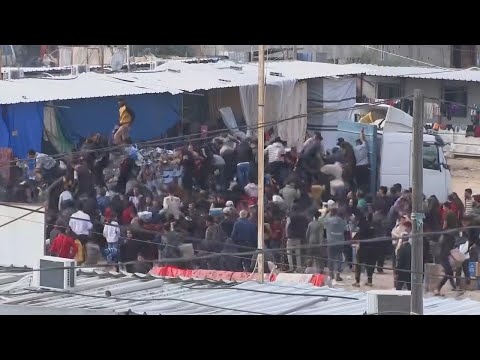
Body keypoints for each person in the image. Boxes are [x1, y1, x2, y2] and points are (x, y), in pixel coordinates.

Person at [319, 204, 347, 282]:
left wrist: (325, 213)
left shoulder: (328, 220)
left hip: (330, 242)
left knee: (330, 259)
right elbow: (345, 227)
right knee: (339, 259)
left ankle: (331, 274)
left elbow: (320, 221)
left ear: (330, 212)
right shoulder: (341, 221)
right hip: (340, 242)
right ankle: (338, 275)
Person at [352, 213, 377, 287]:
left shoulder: (362, 227)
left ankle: (357, 282)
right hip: (372, 248)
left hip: (363, 248)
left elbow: (355, 238)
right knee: (370, 265)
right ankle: (369, 281)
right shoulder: (373, 227)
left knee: (358, 265)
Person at [286, 206, 309, 272]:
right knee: (298, 253)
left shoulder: (290, 216)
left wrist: (286, 234)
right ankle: (299, 267)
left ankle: (291, 267)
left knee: (289, 252)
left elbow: (287, 225)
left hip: (291, 236)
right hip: (299, 237)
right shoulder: (302, 217)